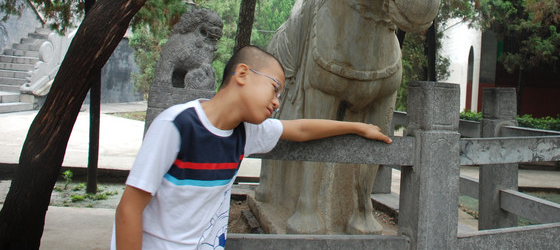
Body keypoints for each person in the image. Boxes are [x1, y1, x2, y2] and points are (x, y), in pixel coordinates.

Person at [112, 45, 391, 249]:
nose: (277, 102)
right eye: (274, 88)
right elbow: (129, 209)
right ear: (243, 74)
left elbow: (301, 129)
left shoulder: (246, 132)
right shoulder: (176, 126)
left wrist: (357, 127)